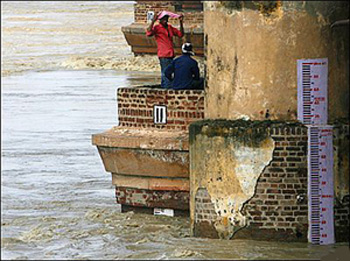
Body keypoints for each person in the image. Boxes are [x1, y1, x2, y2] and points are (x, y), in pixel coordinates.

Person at [146, 11, 184, 88]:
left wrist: (181, 22)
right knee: (166, 73)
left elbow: (180, 34)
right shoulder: (157, 28)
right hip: (163, 54)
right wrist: (153, 20)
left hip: (171, 53)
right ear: (160, 20)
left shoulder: (170, 27)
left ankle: (165, 88)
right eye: (164, 19)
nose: (166, 21)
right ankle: (167, 88)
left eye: (166, 19)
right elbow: (149, 32)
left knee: (168, 73)